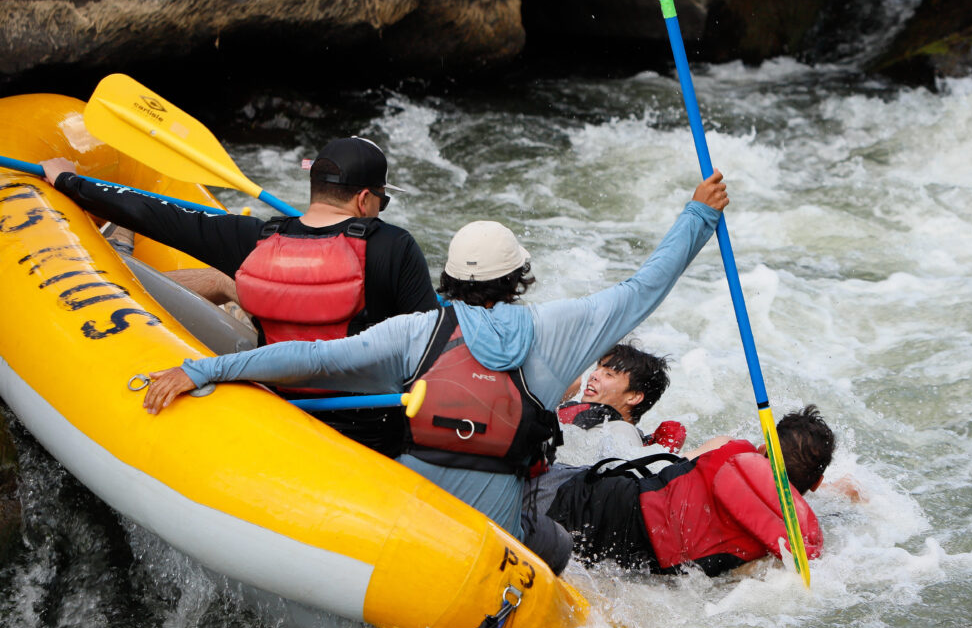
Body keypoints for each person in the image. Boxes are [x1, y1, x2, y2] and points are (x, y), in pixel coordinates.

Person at [138, 171, 730, 557]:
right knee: (559, 546)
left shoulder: (414, 331)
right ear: (519, 278)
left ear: (449, 278)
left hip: (410, 515)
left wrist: (203, 370)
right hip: (501, 531)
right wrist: (698, 215)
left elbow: (309, 358)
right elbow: (646, 284)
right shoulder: (558, 328)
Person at [42, 137, 439, 453]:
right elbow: (433, 347)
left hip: (272, 411)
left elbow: (161, 217)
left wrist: (69, 182)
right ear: (364, 199)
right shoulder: (395, 246)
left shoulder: (254, 239)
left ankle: (117, 256)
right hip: (372, 432)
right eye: (381, 201)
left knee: (224, 282)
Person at [539, 405, 835, 577]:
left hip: (604, 503)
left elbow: (678, 463)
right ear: (816, 484)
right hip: (644, 567)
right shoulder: (782, 546)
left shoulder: (732, 449)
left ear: (761, 450)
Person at [556, 344, 686, 455]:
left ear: (633, 397)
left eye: (608, 374)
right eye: (597, 369)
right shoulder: (586, 420)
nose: (593, 375)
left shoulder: (622, 433)